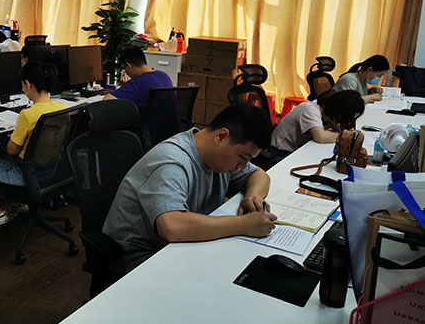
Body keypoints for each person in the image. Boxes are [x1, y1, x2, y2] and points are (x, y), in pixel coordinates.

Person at [103, 104, 277, 272]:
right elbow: (172, 226)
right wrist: (243, 225)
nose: (243, 166)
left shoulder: (219, 157)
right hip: (140, 257)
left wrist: (253, 195)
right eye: (243, 157)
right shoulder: (171, 162)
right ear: (221, 137)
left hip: (178, 246)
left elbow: (259, 175)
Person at [0, 61, 66, 232]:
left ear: (28, 84)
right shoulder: (61, 107)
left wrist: (0, 146)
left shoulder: (28, 114)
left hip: (25, 174)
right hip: (51, 171)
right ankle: (16, 204)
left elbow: (11, 150)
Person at [270, 90, 365, 153]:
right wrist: (348, 137)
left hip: (296, 150)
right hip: (279, 153)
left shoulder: (327, 116)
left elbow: (337, 130)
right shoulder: (310, 109)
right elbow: (320, 136)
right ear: (339, 112)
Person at [103, 46, 174, 112]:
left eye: (124, 68)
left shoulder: (137, 83)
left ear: (129, 66)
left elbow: (105, 102)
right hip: (169, 121)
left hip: (146, 121)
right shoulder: (165, 76)